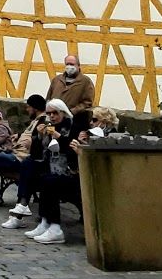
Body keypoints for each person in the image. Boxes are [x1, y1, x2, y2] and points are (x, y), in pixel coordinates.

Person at [25, 99, 104, 244]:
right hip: (54, 169)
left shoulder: (74, 127)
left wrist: (59, 137)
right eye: (49, 113)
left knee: (49, 181)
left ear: (63, 112)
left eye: (55, 113)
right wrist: (39, 136)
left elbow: (71, 153)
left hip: (71, 173)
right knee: (37, 172)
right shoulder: (49, 126)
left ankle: (55, 227)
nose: (52, 116)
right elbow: (37, 153)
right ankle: (45, 222)